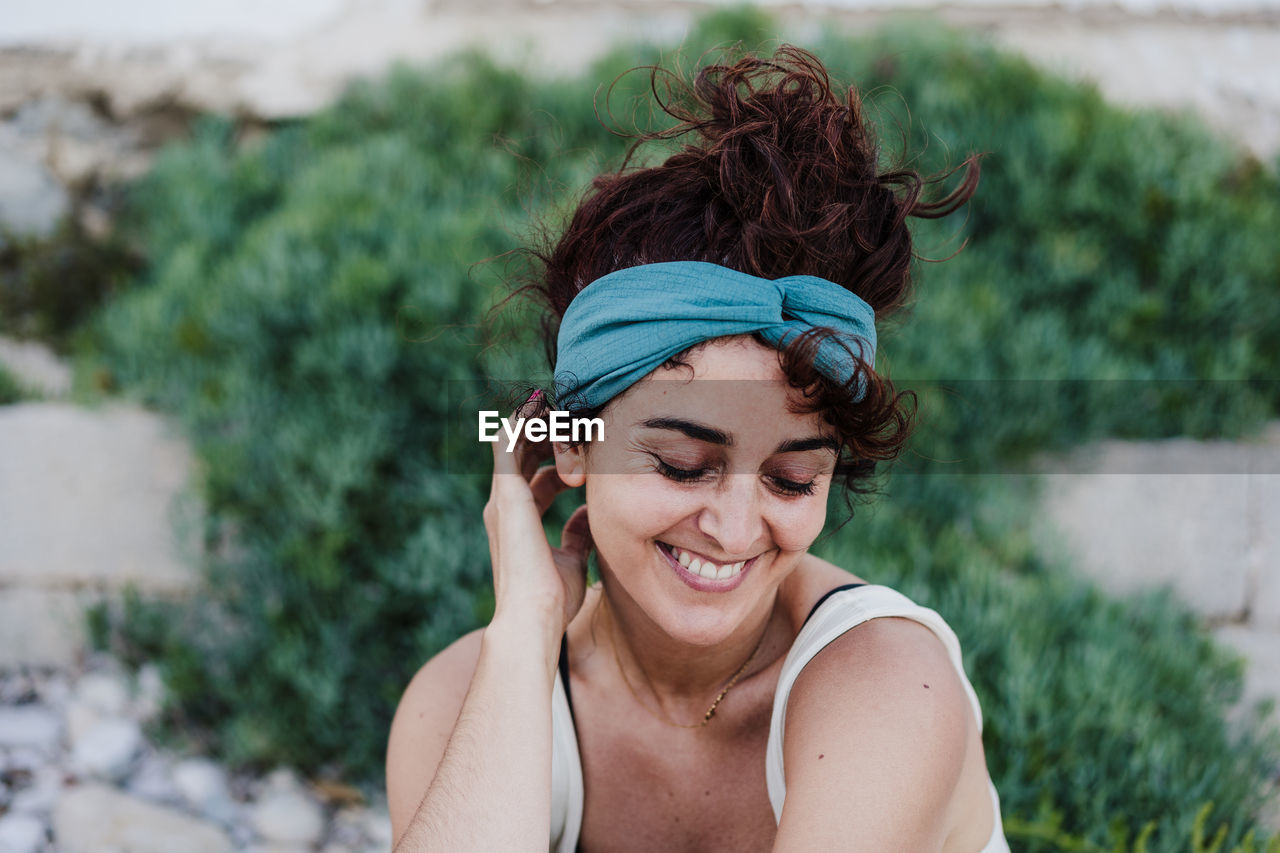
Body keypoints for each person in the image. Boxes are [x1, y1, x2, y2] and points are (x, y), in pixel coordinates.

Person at [386, 45, 1010, 852]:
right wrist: (524, 635)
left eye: (791, 477)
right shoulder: (458, 699)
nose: (735, 526)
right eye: (683, 464)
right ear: (568, 446)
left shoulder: (886, 684)